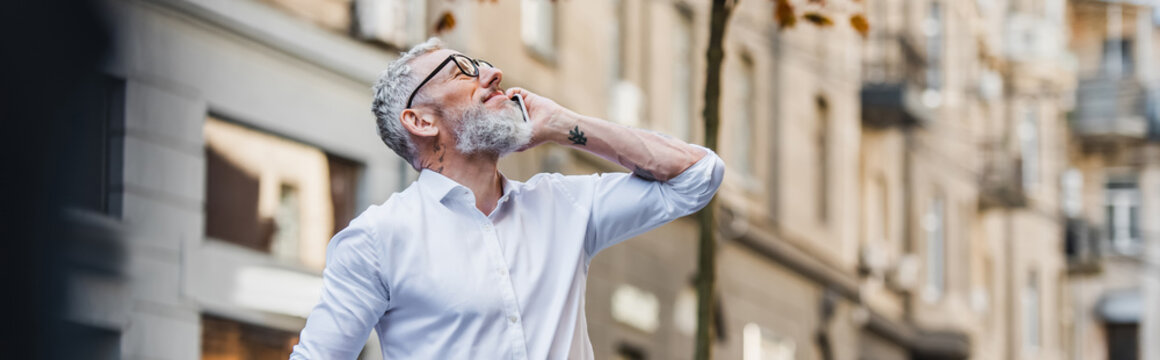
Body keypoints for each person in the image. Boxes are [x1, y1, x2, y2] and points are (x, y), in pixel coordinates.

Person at [290, 38, 724, 359]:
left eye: (481, 63)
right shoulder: (378, 239)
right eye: (462, 70)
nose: (492, 73)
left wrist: (563, 124)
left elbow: (698, 176)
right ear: (419, 120)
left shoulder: (564, 205)